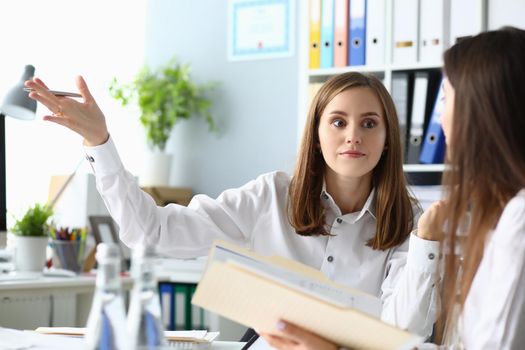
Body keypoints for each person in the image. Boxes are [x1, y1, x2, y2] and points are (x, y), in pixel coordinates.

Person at [25, 72, 440, 337]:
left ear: (388, 141)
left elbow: (405, 331)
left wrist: (427, 242)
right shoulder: (270, 196)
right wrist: (101, 143)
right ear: (316, 135)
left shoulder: (410, 224)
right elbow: (150, 233)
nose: (353, 136)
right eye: (338, 121)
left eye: (370, 123)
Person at [261, 27, 525, 350]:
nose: (440, 118)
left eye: (445, 98)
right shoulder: (504, 218)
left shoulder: (518, 221)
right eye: (338, 122)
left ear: (484, 111)